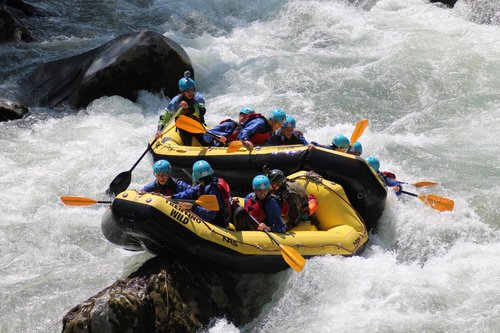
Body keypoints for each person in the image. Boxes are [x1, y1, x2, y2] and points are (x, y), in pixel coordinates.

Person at [171, 160, 231, 228]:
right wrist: (173, 196)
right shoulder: (206, 184)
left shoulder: (211, 190)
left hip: (218, 223)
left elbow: (211, 215)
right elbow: (190, 192)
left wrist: (192, 207)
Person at [156, 71, 208, 146]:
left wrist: (188, 108)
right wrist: (159, 130)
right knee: (187, 144)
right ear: (182, 92)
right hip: (184, 127)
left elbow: (201, 113)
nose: (190, 93)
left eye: (192, 90)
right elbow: (165, 116)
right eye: (187, 91)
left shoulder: (198, 98)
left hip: (197, 125)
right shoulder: (176, 101)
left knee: (207, 143)